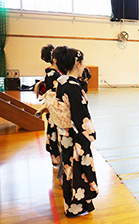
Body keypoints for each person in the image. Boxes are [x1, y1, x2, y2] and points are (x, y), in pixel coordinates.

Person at [56, 46, 98, 217]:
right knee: (77, 171)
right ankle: (74, 207)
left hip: (65, 134)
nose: (84, 65)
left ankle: (79, 204)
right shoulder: (73, 86)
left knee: (69, 169)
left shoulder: (62, 82)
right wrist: (89, 134)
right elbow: (81, 117)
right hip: (75, 136)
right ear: (77, 63)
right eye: (83, 61)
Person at [41, 44, 61, 167]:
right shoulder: (54, 75)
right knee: (54, 132)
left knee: (52, 131)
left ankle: (55, 158)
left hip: (51, 108)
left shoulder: (52, 73)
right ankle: (56, 159)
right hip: (54, 109)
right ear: (54, 59)